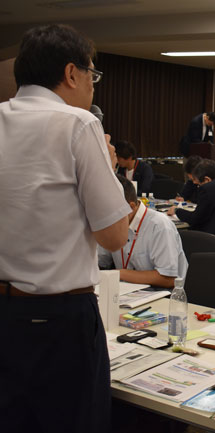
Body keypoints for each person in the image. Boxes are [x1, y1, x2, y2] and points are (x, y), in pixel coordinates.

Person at [0, 24, 130, 432]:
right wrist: (108, 169)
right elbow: (114, 235)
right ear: (72, 73)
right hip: (60, 321)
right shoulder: (78, 123)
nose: (93, 86)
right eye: (93, 75)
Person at [98, 175, 187, 288]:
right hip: (125, 291)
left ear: (130, 207)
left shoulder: (159, 225)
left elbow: (168, 278)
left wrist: (120, 273)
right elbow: (101, 262)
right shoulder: (111, 224)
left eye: (110, 212)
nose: (106, 217)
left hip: (162, 294)